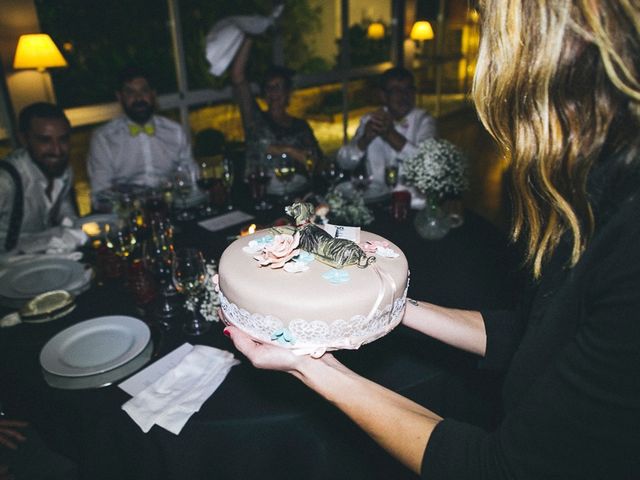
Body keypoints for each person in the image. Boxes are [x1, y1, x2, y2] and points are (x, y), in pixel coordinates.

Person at [225, 1, 640, 478]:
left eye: (491, 21)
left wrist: (311, 367)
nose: (488, 57)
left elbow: (499, 468)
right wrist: (387, 305)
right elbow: (532, 335)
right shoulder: (599, 184)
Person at [86, 65, 196, 209]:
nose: (138, 98)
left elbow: (192, 178)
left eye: (144, 91)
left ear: (153, 94)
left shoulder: (175, 131)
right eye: (130, 92)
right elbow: (100, 195)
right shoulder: (103, 139)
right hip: (127, 214)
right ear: (120, 97)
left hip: (172, 208)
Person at [230, 37, 322, 196]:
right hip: (258, 193)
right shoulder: (255, 119)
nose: (273, 92)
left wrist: (300, 159)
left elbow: (317, 164)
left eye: (278, 87)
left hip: (294, 195)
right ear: (264, 94)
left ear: (287, 94)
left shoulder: (300, 126)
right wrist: (251, 35)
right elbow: (238, 76)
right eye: (268, 88)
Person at [336, 67, 436, 207]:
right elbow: (344, 163)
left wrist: (389, 134)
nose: (404, 96)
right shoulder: (370, 120)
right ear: (383, 95)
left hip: (413, 204)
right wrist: (364, 141)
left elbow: (427, 164)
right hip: (374, 203)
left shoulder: (424, 120)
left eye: (408, 90)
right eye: (396, 91)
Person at [0, 102, 78, 253]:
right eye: (45, 140)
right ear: (24, 139)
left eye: (63, 139)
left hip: (44, 263)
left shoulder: (64, 172)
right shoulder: (6, 181)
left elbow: (68, 218)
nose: (57, 151)